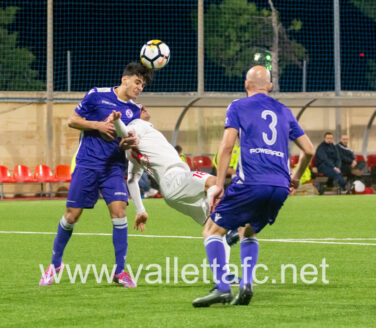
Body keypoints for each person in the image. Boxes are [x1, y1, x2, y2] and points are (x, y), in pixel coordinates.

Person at [192, 65, 314, 307]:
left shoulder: (238, 106)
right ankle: (246, 283)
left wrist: (217, 184)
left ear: (246, 85)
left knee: (211, 231)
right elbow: (309, 150)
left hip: (252, 182)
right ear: (269, 86)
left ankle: (222, 288)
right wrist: (297, 176)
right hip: (279, 186)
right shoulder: (284, 111)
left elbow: (227, 146)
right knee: (248, 230)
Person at [39, 63, 153, 287]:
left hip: (113, 167)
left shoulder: (135, 111)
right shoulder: (96, 95)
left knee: (119, 211)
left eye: (143, 85)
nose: (140, 88)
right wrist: (98, 126)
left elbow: (127, 141)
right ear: (125, 79)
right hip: (88, 164)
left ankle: (120, 271)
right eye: (138, 82)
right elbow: (72, 120)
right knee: (72, 216)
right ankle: (55, 265)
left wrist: (127, 143)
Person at [111, 109, 237, 283]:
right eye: (140, 108)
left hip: (170, 192)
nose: (144, 108)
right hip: (175, 178)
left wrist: (141, 210)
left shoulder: (130, 154)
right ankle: (238, 224)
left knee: (216, 225)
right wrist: (118, 122)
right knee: (216, 182)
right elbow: (129, 135)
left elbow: (132, 180)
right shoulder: (137, 124)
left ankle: (223, 274)